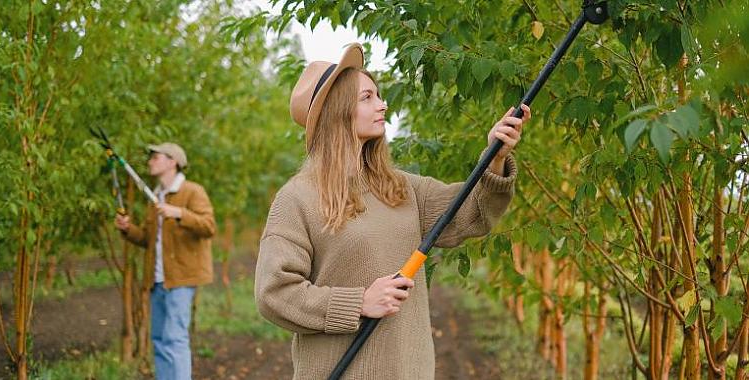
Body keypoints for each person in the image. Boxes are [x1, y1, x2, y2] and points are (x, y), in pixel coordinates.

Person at [254, 43, 529, 379]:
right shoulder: (298, 199)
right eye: (367, 97)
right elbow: (274, 292)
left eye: (379, 95)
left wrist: (495, 157)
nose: (383, 104)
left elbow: (471, 213)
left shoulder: (401, 188)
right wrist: (358, 303)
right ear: (337, 111)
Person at [115, 142, 215, 380]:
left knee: (175, 338)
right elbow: (149, 239)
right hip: (157, 279)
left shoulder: (192, 191)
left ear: (173, 162)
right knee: (159, 339)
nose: (150, 161)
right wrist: (128, 229)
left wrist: (179, 213)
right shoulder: (156, 196)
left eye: (156, 157)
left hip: (181, 278)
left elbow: (209, 226)